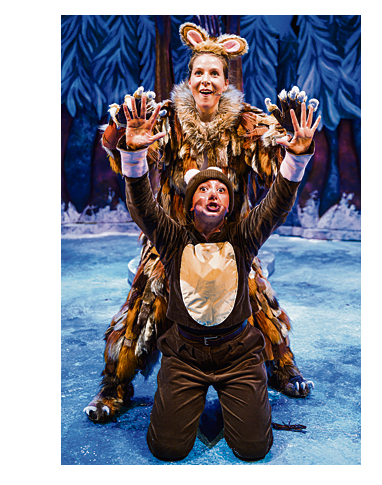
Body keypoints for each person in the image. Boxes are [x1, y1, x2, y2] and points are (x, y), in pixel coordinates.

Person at [85, 22, 316, 430]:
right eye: (198, 72)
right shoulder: (169, 119)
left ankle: (282, 367)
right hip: (173, 237)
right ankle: (114, 387)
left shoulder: (246, 121)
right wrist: (120, 136)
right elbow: (134, 159)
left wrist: (288, 141)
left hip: (231, 237)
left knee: (254, 294)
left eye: (214, 73)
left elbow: (273, 168)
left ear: (225, 82)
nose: (206, 79)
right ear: (189, 79)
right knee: (145, 300)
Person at [114, 85, 320, 460]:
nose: (213, 193)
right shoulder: (172, 239)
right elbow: (142, 205)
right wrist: (134, 155)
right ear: (190, 203)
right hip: (185, 355)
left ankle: (241, 400)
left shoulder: (243, 237)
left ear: (228, 206)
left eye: (221, 191)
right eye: (204, 189)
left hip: (238, 354)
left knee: (253, 449)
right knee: (166, 449)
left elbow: (277, 203)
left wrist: (296, 158)